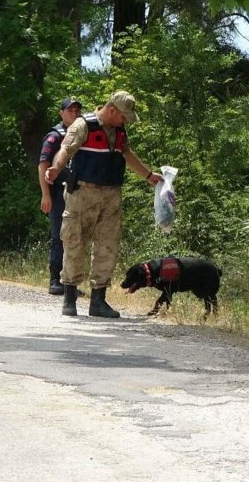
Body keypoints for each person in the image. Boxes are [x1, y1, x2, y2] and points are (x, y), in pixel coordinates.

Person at [45, 90, 162, 318]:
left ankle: (98, 301)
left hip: (111, 193)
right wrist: (56, 168)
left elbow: (127, 154)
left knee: (107, 245)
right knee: (75, 242)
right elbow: (65, 150)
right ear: (112, 110)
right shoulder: (83, 125)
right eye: (123, 116)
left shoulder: (119, 130)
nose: (125, 121)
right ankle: (69, 299)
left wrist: (149, 176)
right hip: (83, 193)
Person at [37, 97, 84, 295]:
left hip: (78, 193)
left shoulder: (82, 133)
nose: (74, 114)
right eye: (70, 110)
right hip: (58, 194)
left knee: (76, 237)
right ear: (61, 113)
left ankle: (70, 283)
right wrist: (45, 195)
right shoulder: (55, 136)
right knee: (59, 236)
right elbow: (43, 165)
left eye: (77, 111)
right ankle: (55, 280)